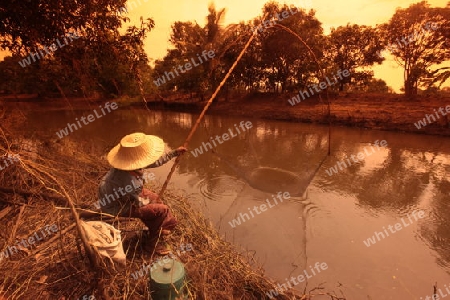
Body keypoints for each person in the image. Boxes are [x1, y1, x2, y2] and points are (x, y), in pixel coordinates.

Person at [98, 132, 186, 255]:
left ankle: (155, 227)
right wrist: (149, 203)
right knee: (162, 210)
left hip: (125, 195)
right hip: (117, 205)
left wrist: (174, 153)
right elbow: (137, 202)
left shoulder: (131, 163)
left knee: (156, 199)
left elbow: (156, 162)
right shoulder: (127, 180)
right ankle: (152, 246)